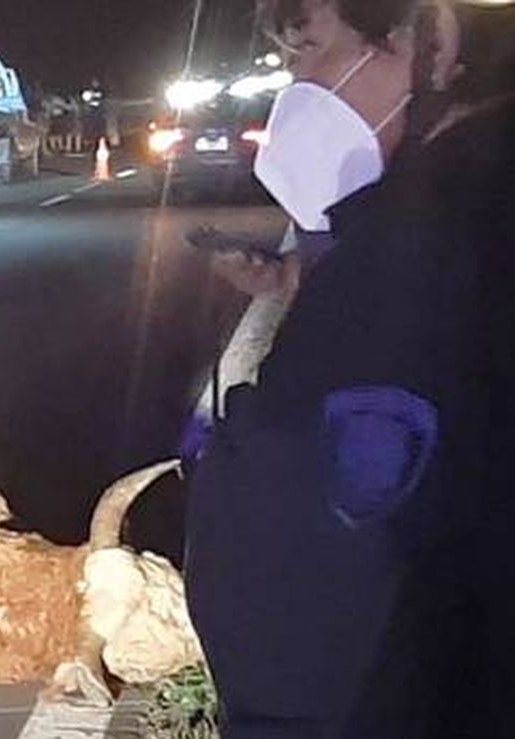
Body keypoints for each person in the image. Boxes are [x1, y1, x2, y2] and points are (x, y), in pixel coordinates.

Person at [183, 0, 514, 736]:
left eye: (308, 52)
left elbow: (337, 534)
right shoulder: (436, 214)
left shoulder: (430, 238)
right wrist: (312, 280)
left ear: (427, 41)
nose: (295, 87)